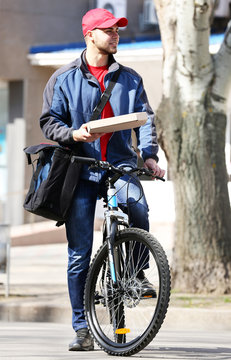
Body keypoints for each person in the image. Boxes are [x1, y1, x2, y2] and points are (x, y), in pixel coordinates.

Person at [39, 8, 165, 352]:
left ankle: (135, 273)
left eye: (117, 30)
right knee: (79, 252)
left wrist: (150, 155)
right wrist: (72, 133)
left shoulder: (130, 78)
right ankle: (82, 328)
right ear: (90, 35)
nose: (115, 35)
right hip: (79, 166)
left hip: (120, 163)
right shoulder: (63, 78)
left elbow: (145, 119)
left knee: (137, 210)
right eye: (108, 30)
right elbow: (49, 122)